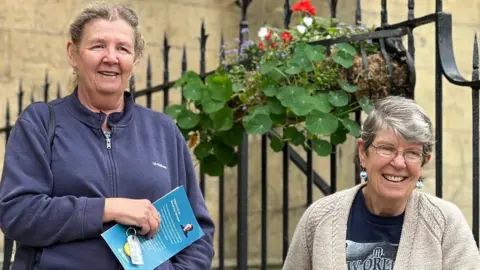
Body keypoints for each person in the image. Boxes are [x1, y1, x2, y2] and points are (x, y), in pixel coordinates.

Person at [0, 2, 215, 270]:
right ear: (73, 53)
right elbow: (18, 213)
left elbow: (196, 229)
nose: (111, 57)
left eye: (122, 48)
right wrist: (108, 209)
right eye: (98, 46)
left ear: (134, 60)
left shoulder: (162, 131)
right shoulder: (40, 123)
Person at [283, 96, 480, 269]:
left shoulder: (445, 223)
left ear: (423, 162)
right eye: (387, 148)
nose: (399, 163)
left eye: (412, 153)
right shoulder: (319, 219)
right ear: (363, 152)